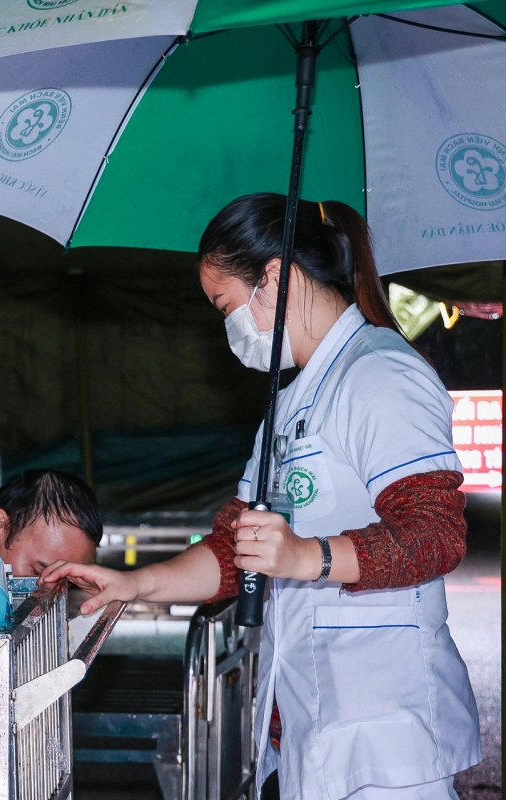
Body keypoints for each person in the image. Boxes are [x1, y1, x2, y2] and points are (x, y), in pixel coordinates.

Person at [41, 194, 479, 800]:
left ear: (273, 277)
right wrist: (133, 584)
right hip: (309, 719)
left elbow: (434, 534)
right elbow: (236, 545)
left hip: (384, 729)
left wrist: (306, 558)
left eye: (224, 306)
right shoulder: (293, 400)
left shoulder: (379, 375)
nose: (228, 327)